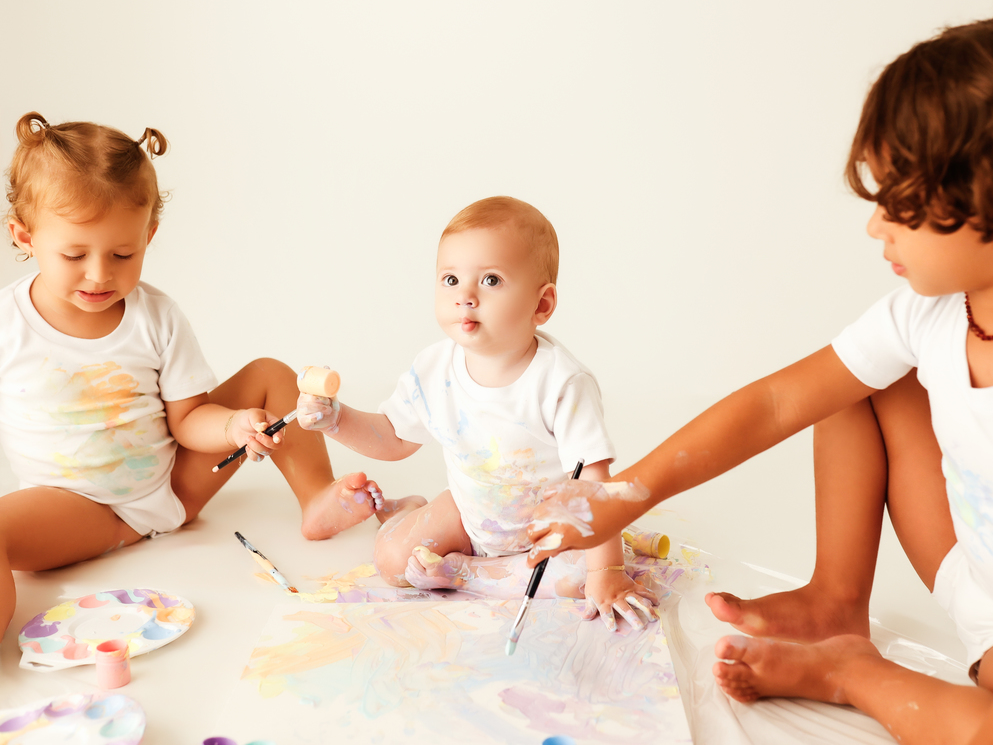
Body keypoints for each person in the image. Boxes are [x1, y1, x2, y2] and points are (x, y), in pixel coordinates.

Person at [525, 7, 993, 744]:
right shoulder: (930, 311)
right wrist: (624, 494)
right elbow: (779, 401)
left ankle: (853, 674)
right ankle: (836, 603)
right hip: (964, 564)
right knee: (857, 380)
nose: (876, 226)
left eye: (900, 205)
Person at [0, 112, 388, 635]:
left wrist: (232, 426)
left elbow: (187, 420)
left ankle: (317, 496)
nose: (99, 274)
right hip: (76, 506)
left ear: (149, 234)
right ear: (24, 236)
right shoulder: (9, 324)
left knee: (271, 373)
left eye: (123, 253)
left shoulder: (155, 317)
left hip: (176, 487)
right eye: (74, 254)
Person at [295, 196, 657, 631]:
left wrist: (607, 572)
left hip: (549, 535)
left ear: (541, 305)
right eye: (450, 279)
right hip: (471, 516)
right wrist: (336, 420)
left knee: (583, 577)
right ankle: (405, 511)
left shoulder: (561, 383)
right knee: (392, 562)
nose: (465, 296)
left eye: (490, 280)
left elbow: (594, 486)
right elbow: (393, 436)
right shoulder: (434, 368)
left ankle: (468, 574)